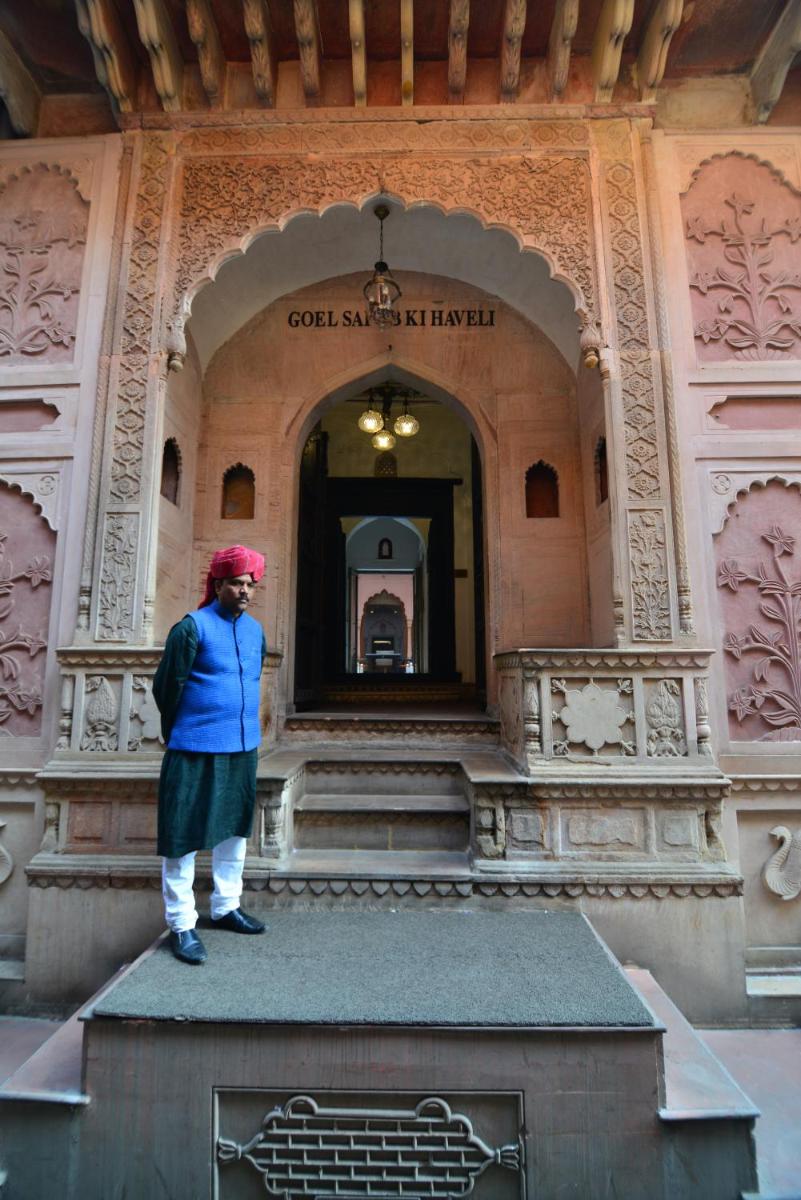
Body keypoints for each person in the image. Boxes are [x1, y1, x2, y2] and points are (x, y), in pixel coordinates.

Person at [153, 545, 268, 964]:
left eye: (250, 584)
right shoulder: (191, 628)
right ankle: (182, 923)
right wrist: (180, 733)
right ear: (217, 585)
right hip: (193, 748)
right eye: (236, 583)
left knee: (234, 831)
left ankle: (226, 906)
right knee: (182, 836)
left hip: (241, 746)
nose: (245, 591)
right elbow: (167, 687)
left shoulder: (255, 631)